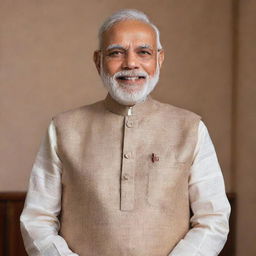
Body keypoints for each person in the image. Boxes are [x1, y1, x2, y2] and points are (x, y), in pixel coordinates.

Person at [20, 9, 231, 256]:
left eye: (143, 52)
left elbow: (213, 218)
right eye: (116, 53)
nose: (131, 63)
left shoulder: (191, 127)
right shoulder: (64, 128)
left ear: (159, 59)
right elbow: (37, 219)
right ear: (98, 60)